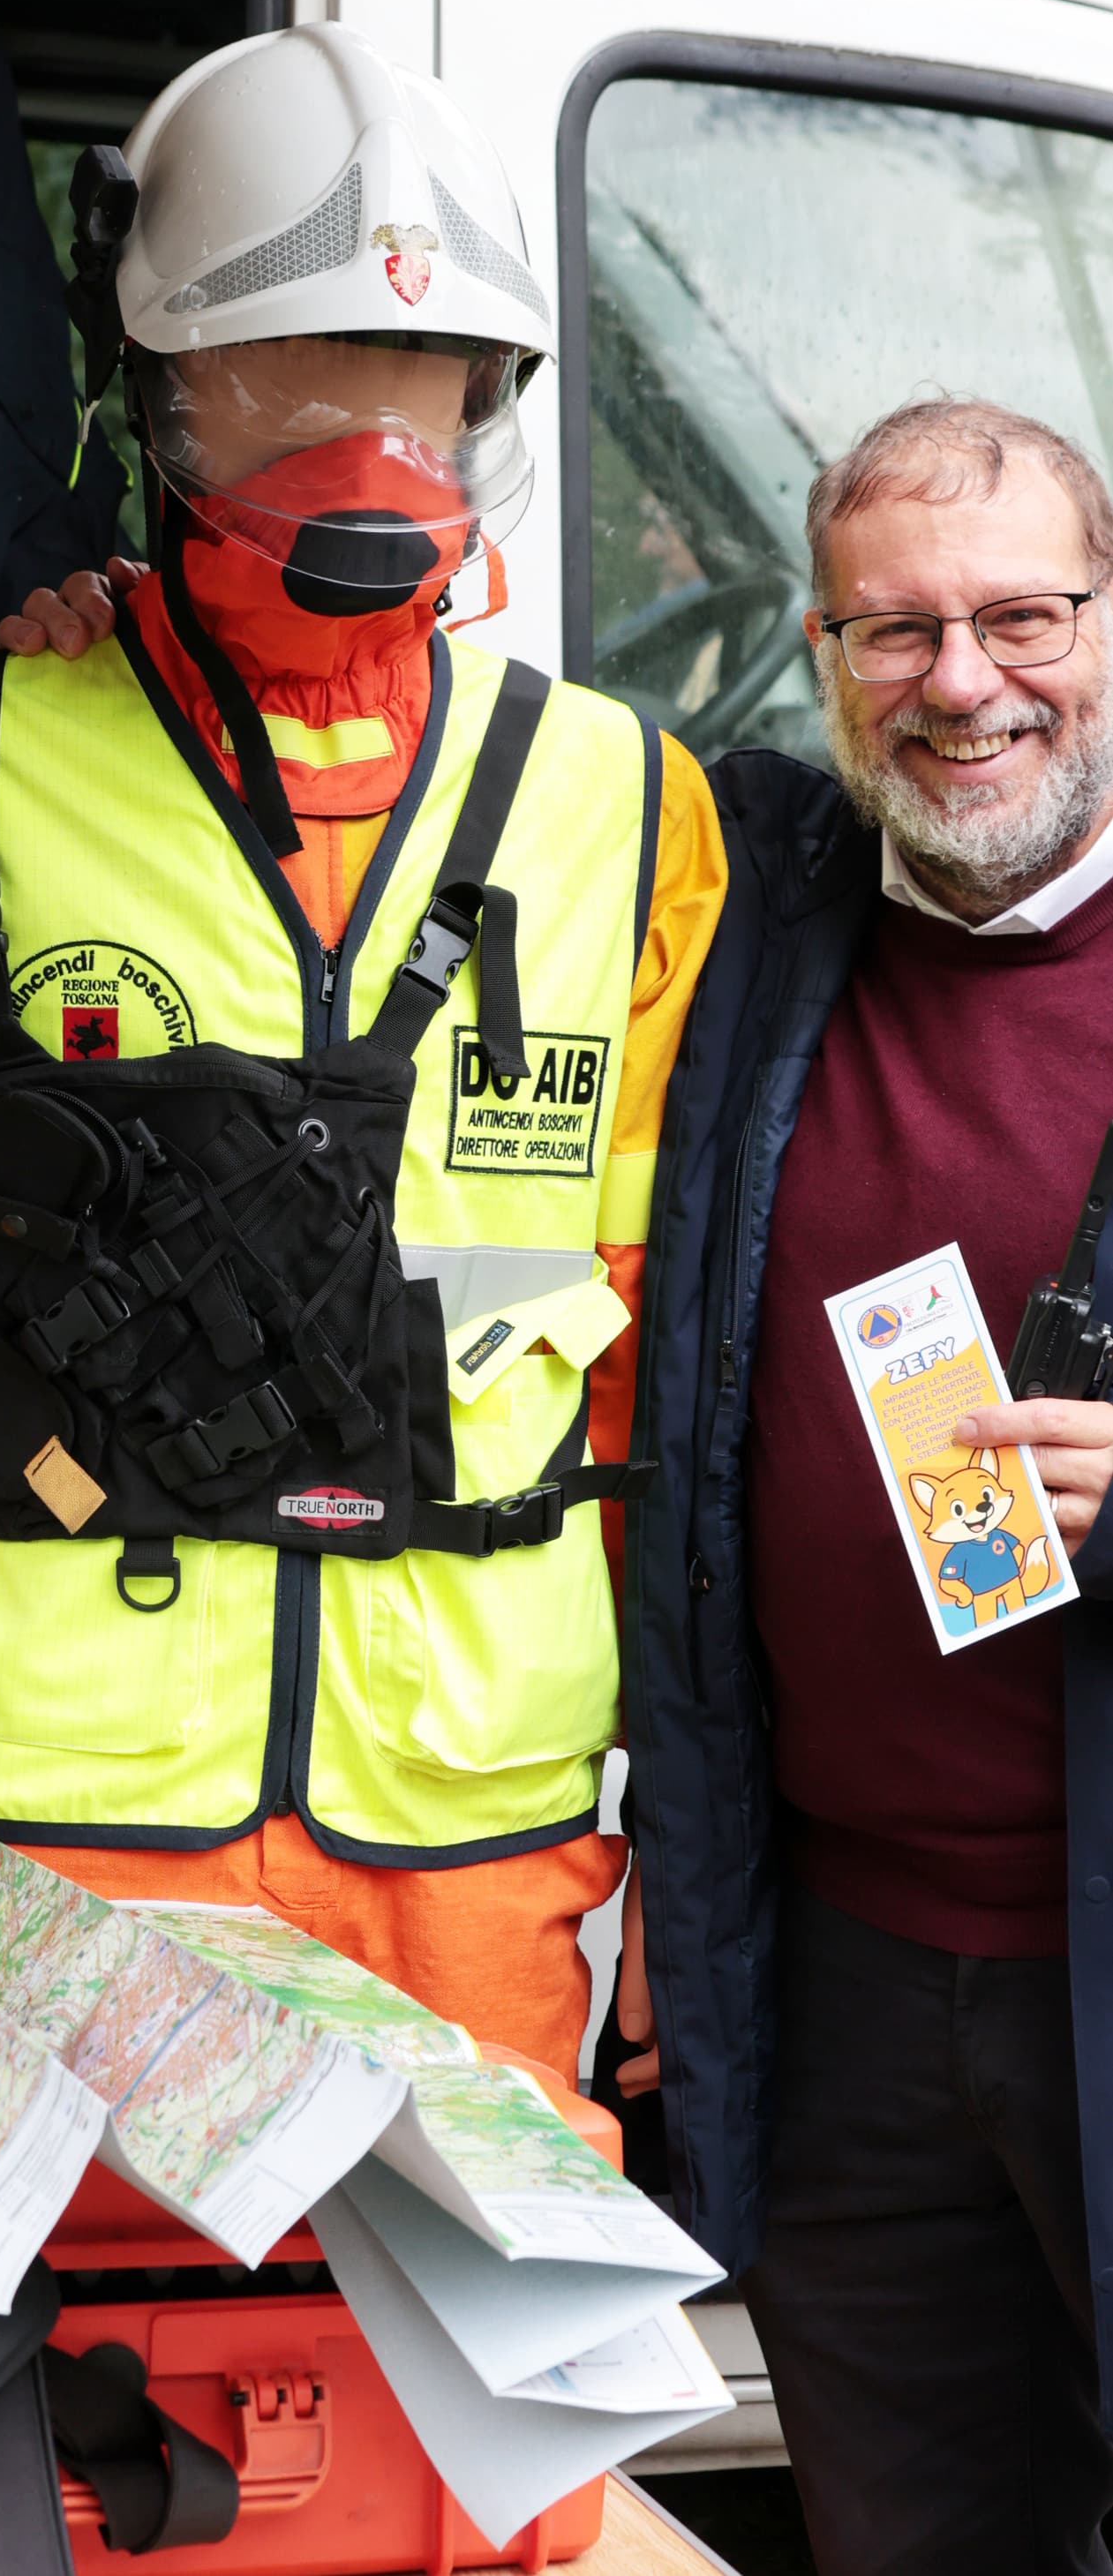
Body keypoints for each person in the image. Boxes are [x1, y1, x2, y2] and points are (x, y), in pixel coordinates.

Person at [0, 19, 725, 2077]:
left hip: (476, 1831)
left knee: (464, 2407)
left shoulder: (631, 808)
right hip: (33, 1823)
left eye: (420, 393)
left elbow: (652, 1355)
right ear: (159, 403)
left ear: (495, 400)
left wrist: (675, 1835)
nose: (362, 455)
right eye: (285, 392)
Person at [622, 397, 1113, 2576]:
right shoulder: (754, 903)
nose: (962, 681)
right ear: (819, 651)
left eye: (1020, 614)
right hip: (829, 1970)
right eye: (893, 627)